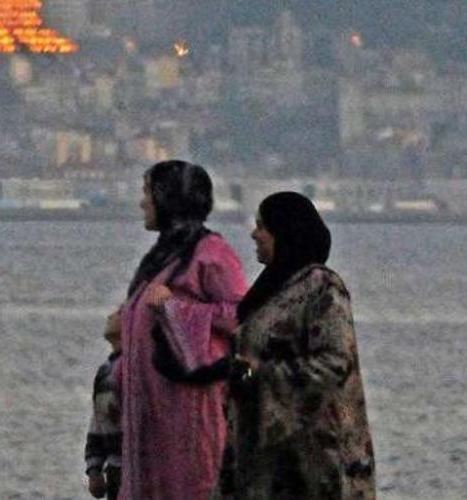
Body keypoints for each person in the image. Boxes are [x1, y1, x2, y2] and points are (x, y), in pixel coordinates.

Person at [221, 192, 376, 499]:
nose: (254, 234)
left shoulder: (322, 288)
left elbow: (335, 362)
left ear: (285, 232)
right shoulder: (270, 290)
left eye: (262, 226)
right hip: (261, 459)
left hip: (314, 464)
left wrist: (260, 372)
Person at [116, 160, 248, 500]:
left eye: (148, 192)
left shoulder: (212, 254)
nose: (143, 202)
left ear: (169, 197)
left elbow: (242, 315)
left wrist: (177, 310)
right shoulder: (162, 257)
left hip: (189, 417)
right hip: (149, 421)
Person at [84, 311, 123, 499]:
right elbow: (98, 423)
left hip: (137, 470)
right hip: (115, 471)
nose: (111, 315)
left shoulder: (138, 367)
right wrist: (94, 469)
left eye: (121, 312)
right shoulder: (104, 372)